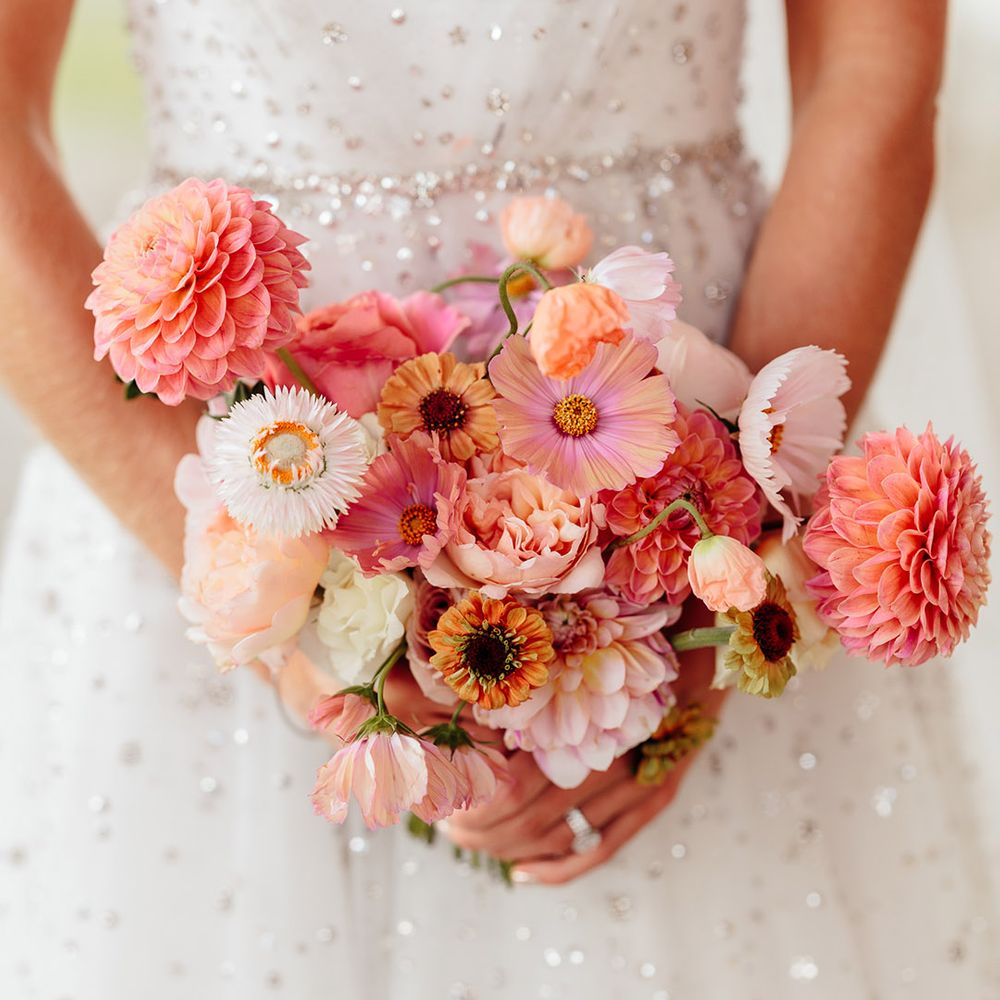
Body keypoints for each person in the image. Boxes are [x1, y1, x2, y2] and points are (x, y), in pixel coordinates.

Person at [2, 1, 996, 997]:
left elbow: (869, 73)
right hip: (219, 470)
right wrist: (284, 613)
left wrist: (728, 582)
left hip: (693, 455)